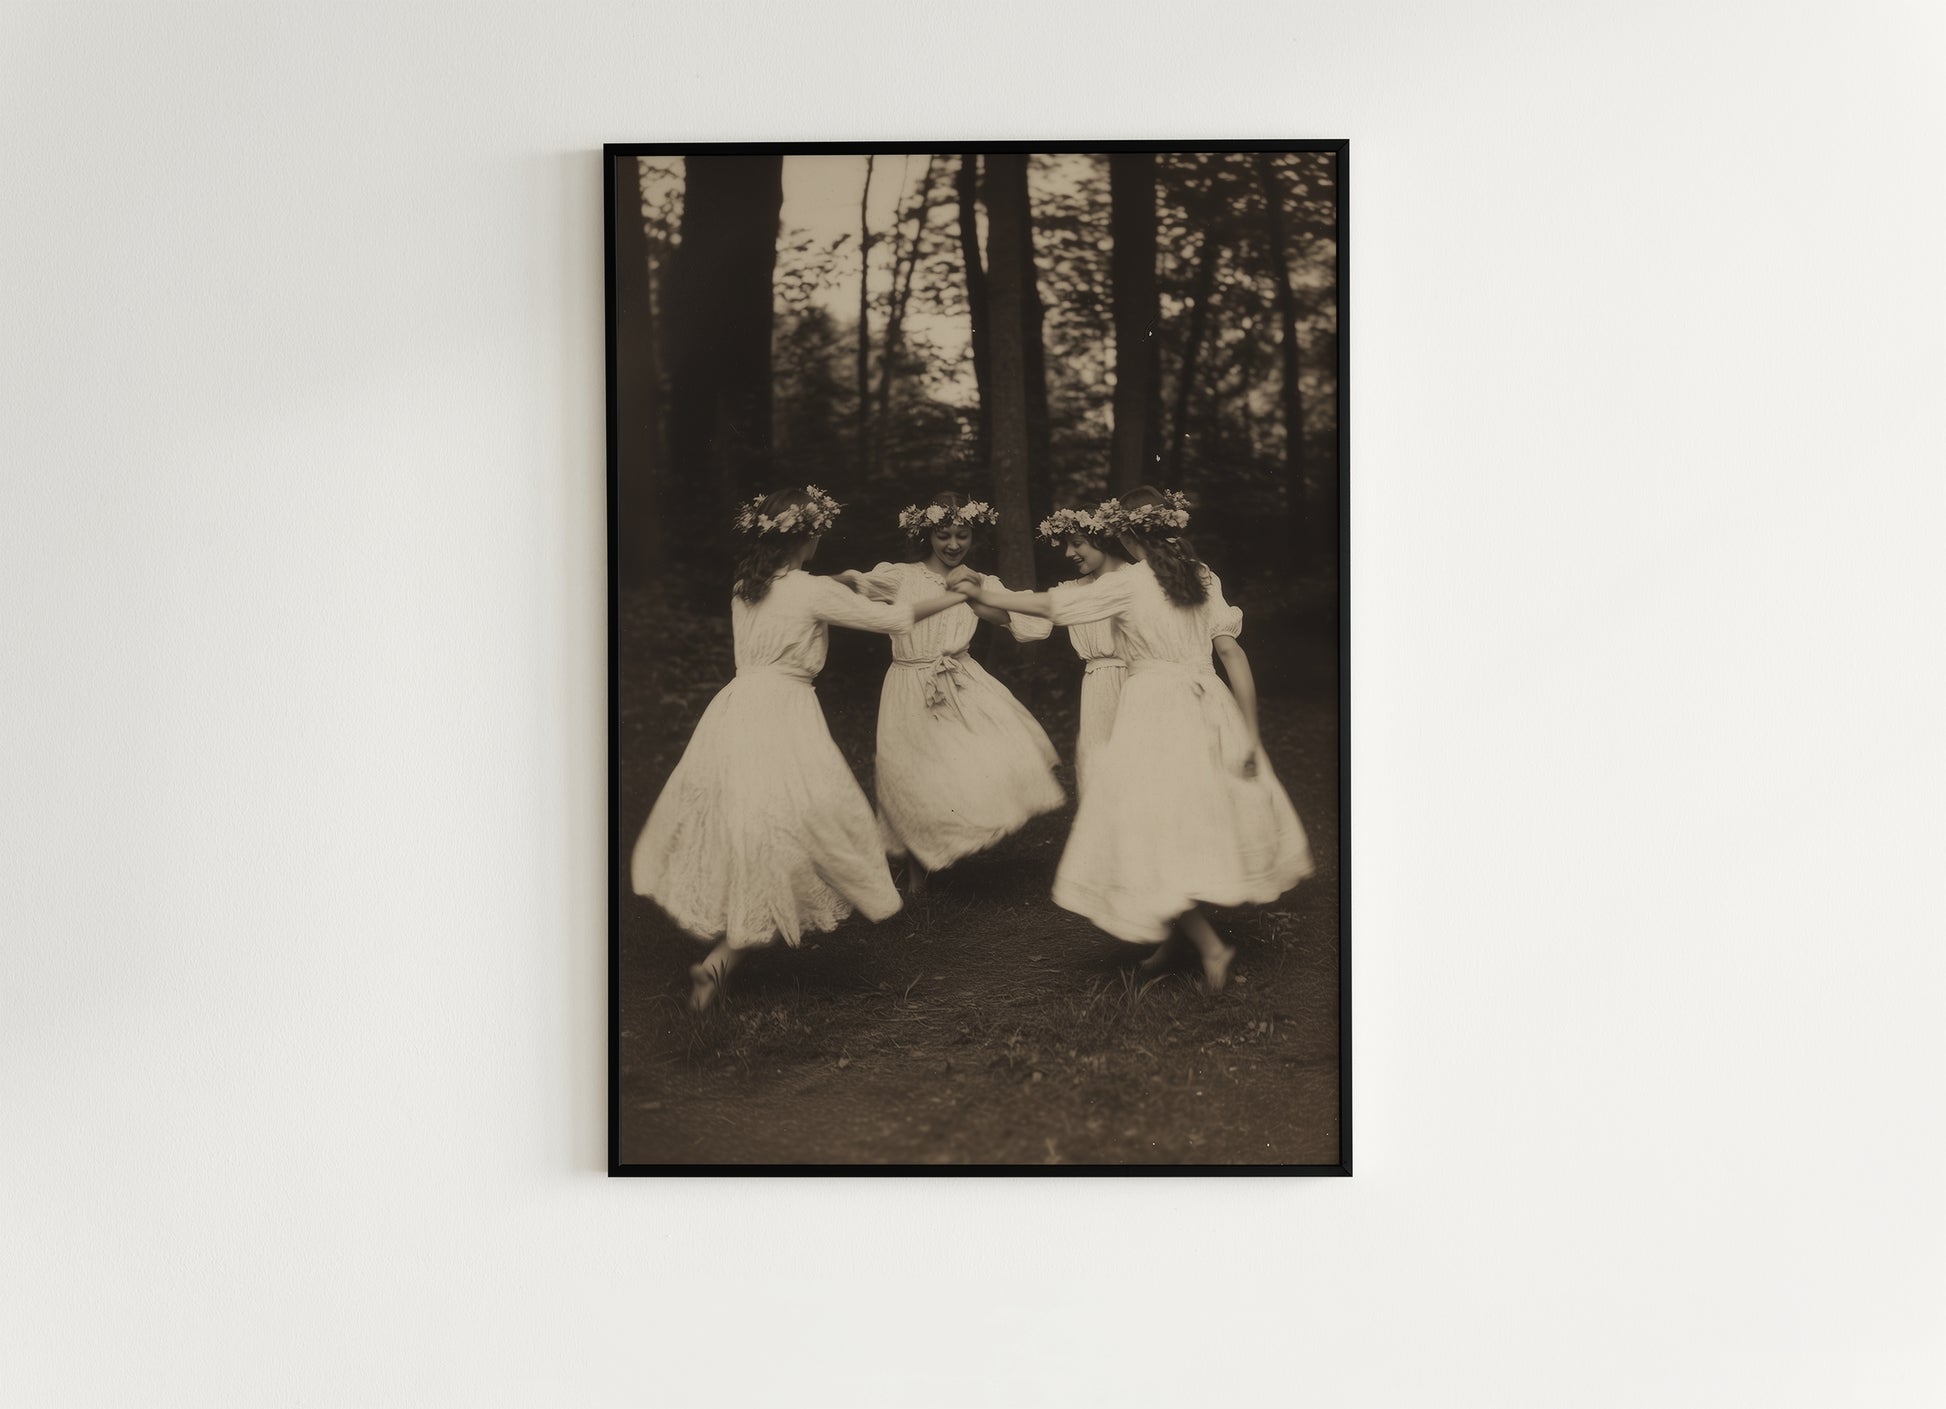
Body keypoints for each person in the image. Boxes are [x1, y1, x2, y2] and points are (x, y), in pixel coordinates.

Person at [954, 486, 1313, 992]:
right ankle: (1180, 937)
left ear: (1123, 535)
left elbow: (1053, 605)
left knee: (1143, 824)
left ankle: (1210, 945)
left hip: (1157, 709)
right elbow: (1232, 653)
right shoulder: (1201, 575)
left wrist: (986, 594)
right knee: (1176, 820)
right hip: (1208, 705)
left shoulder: (1129, 584)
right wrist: (1251, 733)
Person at [630, 486, 964, 1012]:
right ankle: (732, 950)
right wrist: (958, 595)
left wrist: (841, 581)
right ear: (806, 539)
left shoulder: (746, 586)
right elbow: (893, 619)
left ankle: (721, 960)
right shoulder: (810, 590)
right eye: (817, 535)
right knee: (816, 815)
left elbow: (796, 595)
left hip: (736, 708)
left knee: (757, 823)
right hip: (784, 713)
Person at [834, 491, 1062, 894]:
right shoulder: (902, 576)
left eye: (962, 535)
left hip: (960, 678)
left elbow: (1025, 622)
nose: (954, 545)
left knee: (978, 762)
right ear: (928, 535)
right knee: (905, 771)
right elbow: (853, 586)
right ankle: (916, 873)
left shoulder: (980, 581)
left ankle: (956, 836)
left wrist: (976, 597)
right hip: (909, 680)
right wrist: (804, 583)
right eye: (944, 536)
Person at [1037, 504, 1131, 797]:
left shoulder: (1139, 579)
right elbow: (1031, 614)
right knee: (1100, 767)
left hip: (1137, 680)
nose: (1068, 553)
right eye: (1067, 545)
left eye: (1077, 543)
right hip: (1098, 686)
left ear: (1102, 539)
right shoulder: (1071, 591)